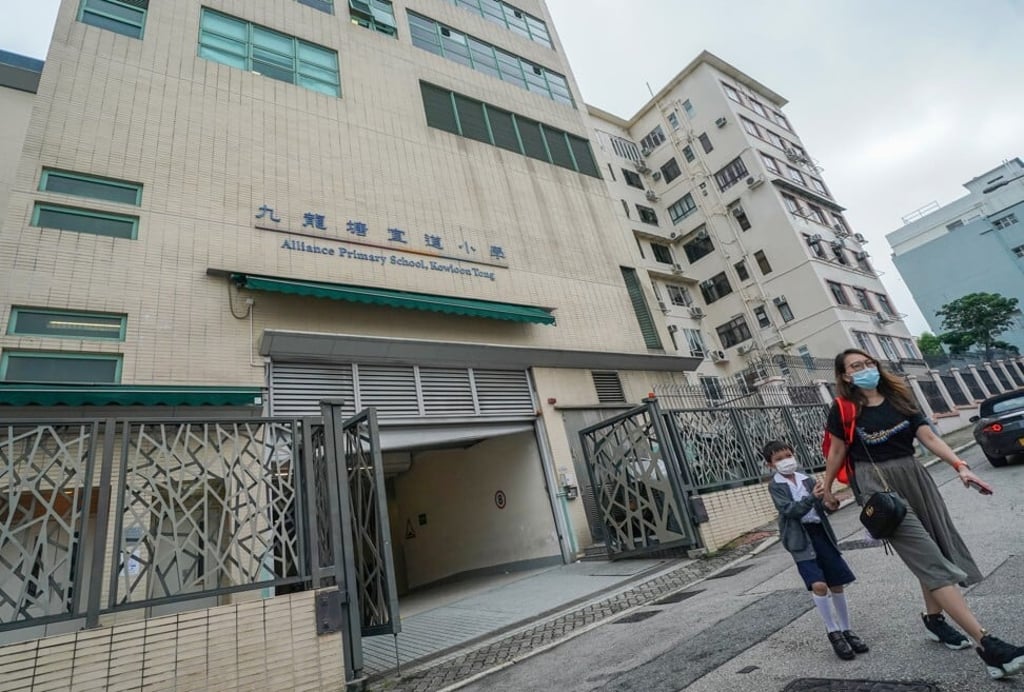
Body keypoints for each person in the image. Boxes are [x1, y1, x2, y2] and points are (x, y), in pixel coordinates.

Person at [822, 348, 1024, 680]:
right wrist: (828, 488)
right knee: (931, 560)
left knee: (934, 550)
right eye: (856, 366)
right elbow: (838, 449)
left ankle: (934, 620)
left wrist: (960, 466)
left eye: (868, 363)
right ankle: (987, 645)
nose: (865, 369)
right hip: (879, 488)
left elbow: (928, 436)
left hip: (915, 478)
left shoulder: (899, 397)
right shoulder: (844, 409)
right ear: (845, 376)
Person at [765, 440, 869, 660]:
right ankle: (833, 632)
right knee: (819, 585)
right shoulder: (775, 485)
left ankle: (847, 629)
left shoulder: (807, 479)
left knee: (837, 583)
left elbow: (819, 507)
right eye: (779, 459)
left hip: (821, 534)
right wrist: (813, 497)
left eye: (787, 455)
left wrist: (830, 503)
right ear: (771, 465)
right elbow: (790, 510)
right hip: (800, 539)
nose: (785, 461)